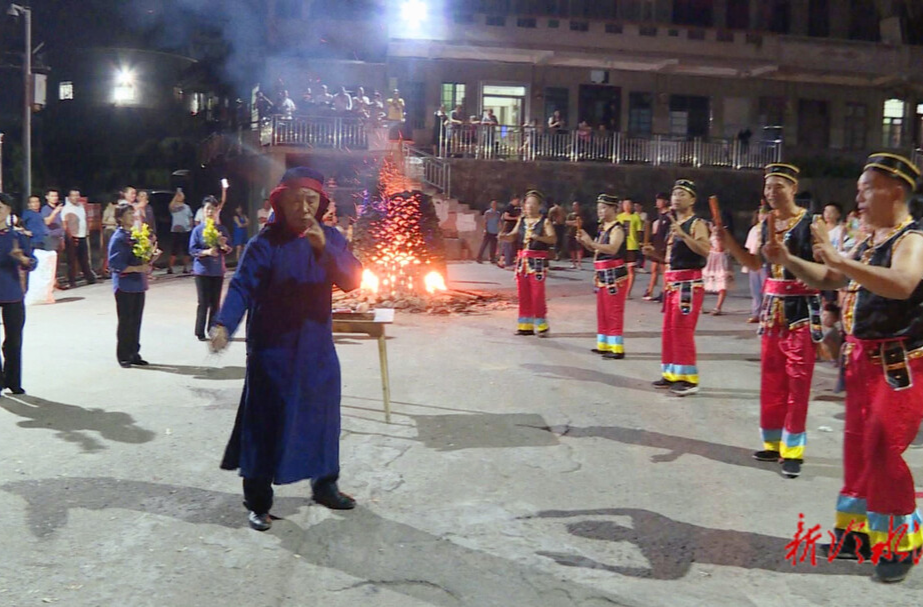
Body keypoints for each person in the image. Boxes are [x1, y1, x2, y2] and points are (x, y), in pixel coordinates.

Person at [761, 153, 923, 583]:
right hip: (860, 361)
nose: (860, 197)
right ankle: (855, 534)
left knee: (884, 446)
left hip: (900, 364)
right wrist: (790, 260)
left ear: (896, 190)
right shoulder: (866, 241)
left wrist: (838, 257)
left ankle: (902, 540)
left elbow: (904, 282)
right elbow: (831, 278)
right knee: (855, 447)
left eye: (867, 188)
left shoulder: (913, 239)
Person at [209, 167, 362, 531]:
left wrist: (323, 249)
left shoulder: (331, 238)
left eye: (311, 200)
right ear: (281, 203)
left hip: (316, 349)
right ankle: (258, 502)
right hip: (271, 353)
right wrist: (224, 324)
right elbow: (243, 286)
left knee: (323, 417)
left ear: (320, 204)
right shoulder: (265, 244)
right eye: (296, 200)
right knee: (265, 424)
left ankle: (325, 485)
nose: (304, 208)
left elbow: (353, 279)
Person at [717, 163, 820, 478]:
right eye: (767, 187)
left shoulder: (812, 224)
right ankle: (772, 443)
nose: (771, 193)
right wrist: (728, 241)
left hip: (801, 309)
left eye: (778, 186)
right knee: (771, 378)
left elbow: (827, 271)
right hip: (772, 310)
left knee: (797, 381)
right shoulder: (764, 225)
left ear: (793, 187)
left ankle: (793, 449)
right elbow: (753, 263)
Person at [642, 179, 711, 396]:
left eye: (682, 194)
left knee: (682, 330)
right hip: (672, 282)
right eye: (674, 194)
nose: (676, 198)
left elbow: (704, 250)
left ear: (692, 199)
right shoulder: (670, 225)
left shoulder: (696, 223)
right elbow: (670, 259)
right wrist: (651, 254)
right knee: (669, 331)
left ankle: (689, 379)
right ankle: (671, 373)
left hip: (688, 284)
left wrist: (683, 235)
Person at [499, 190, 557, 336]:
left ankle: (542, 324)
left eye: (533, 204)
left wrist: (539, 237)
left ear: (539, 206)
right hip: (522, 262)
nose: (529, 207)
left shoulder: (545, 221)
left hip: (537, 262)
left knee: (537, 294)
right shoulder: (522, 220)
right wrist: (504, 237)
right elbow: (513, 236)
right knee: (523, 294)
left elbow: (553, 239)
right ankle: (525, 325)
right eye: (527, 203)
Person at [577, 194, 628, 359]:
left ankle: (617, 348)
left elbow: (612, 249)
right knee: (603, 311)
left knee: (613, 311)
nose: (600, 211)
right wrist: (585, 242)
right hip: (602, 274)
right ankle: (604, 343)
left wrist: (590, 242)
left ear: (614, 209)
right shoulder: (603, 228)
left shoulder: (617, 228)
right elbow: (597, 250)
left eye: (604, 207)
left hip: (615, 276)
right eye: (599, 208)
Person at [108, 204, 153, 368]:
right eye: (128, 213)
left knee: (136, 321)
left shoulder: (136, 236)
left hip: (138, 284)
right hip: (125, 285)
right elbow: (114, 265)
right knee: (126, 321)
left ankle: (134, 352)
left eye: (133, 213)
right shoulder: (118, 238)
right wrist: (136, 268)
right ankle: (123, 355)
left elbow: (140, 258)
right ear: (120, 218)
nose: (132, 216)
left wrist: (149, 255)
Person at [0, 193, 36, 394]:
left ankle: (13, 380)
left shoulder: (17, 236)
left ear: (8, 211)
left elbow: (32, 262)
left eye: (0, 207)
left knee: (13, 339)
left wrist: (23, 259)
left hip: (12, 292)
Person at [189, 202, 232, 341]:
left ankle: (212, 328)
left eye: (213, 209)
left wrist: (223, 245)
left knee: (215, 302)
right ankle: (199, 331)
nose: (210, 212)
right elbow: (192, 250)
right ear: (203, 211)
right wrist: (206, 252)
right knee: (203, 301)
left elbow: (229, 248)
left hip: (217, 270)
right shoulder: (198, 230)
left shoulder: (221, 229)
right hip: (202, 270)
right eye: (207, 209)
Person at [62, 188, 96, 288]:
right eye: (73, 195)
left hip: (82, 235)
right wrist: (70, 236)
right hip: (72, 236)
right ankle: (72, 280)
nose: (76, 197)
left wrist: (86, 232)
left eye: (77, 195)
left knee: (84, 258)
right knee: (72, 260)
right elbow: (65, 224)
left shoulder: (81, 206)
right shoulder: (66, 208)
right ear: (69, 197)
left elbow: (84, 220)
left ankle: (89, 277)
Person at [742, 206, 769, 323]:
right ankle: (756, 313)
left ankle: (766, 313)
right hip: (754, 261)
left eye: (764, 214)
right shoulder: (753, 230)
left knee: (766, 289)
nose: (762, 216)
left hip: (764, 262)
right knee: (755, 290)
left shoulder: (769, 230)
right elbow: (749, 247)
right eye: (760, 214)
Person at [643, 193, 671, 301]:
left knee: (663, 270)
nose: (658, 203)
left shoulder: (669, 216)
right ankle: (649, 290)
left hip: (663, 245)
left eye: (660, 200)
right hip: (656, 244)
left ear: (666, 201)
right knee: (654, 268)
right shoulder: (659, 215)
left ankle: (664, 292)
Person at [703, 221, 733, 315]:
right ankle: (701, 306)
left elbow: (719, 248)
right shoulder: (714, 232)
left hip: (719, 259)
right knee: (706, 282)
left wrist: (710, 247)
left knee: (722, 283)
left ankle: (718, 307)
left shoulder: (720, 233)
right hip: (713, 258)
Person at [616, 198, 643, 299]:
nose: (626, 206)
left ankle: (628, 292)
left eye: (628, 204)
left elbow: (639, 232)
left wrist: (640, 244)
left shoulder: (636, 217)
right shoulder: (618, 217)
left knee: (631, 269)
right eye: (625, 204)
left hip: (632, 246)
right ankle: (620, 289)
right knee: (620, 269)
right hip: (621, 246)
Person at [167, 189, 193, 274]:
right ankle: (170, 267)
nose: (179, 196)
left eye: (181, 195)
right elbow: (170, 207)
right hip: (176, 230)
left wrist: (191, 226)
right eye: (178, 195)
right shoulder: (174, 207)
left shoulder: (187, 207)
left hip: (186, 230)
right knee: (174, 250)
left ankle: (186, 267)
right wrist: (175, 196)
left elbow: (190, 217)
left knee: (186, 250)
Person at [498, 196, 522, 268]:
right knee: (507, 246)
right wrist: (516, 218)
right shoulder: (509, 207)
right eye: (517, 201)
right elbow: (505, 217)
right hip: (508, 229)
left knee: (507, 247)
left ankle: (502, 261)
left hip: (513, 229)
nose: (518, 203)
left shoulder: (516, 208)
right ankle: (507, 262)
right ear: (513, 200)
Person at [101, 198, 119, 276]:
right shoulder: (108, 209)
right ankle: (106, 269)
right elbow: (103, 221)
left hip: (116, 231)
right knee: (109, 250)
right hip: (109, 230)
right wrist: (113, 223)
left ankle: (113, 268)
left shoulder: (117, 208)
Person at [566, 201, 585, 269]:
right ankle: (574, 263)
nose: (575, 207)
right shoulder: (570, 215)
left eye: (576, 205)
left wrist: (576, 223)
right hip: (570, 233)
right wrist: (574, 222)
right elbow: (567, 222)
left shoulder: (580, 215)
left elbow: (580, 223)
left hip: (578, 234)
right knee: (572, 249)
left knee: (579, 249)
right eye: (574, 205)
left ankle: (579, 263)